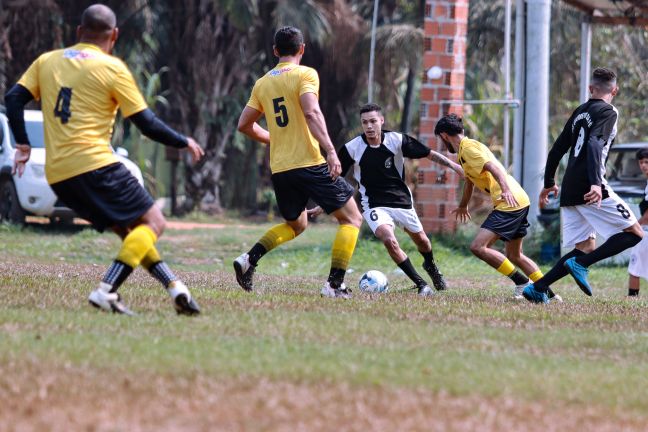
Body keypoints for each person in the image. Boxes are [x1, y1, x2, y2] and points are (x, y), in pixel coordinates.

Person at [4, 4, 205, 315]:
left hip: (59, 175)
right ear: (114, 35)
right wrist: (183, 141)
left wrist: (23, 144)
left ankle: (175, 286)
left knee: (131, 232)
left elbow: (14, 98)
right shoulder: (112, 68)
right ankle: (106, 289)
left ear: (79, 32)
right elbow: (146, 123)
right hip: (95, 164)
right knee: (155, 222)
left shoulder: (48, 61)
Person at [234, 26, 363, 298]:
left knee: (297, 224)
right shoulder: (305, 74)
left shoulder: (263, 83)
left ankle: (248, 259)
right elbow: (312, 112)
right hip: (309, 162)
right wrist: (329, 149)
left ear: (275, 51)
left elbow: (244, 125)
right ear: (302, 49)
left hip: (281, 168)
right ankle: (334, 285)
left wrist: (275, 139)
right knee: (351, 218)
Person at [310, 103, 462, 296]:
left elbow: (429, 154)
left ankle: (431, 266)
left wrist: (455, 167)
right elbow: (334, 175)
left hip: (402, 201)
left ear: (381, 121)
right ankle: (421, 284)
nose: (369, 126)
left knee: (423, 242)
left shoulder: (397, 140)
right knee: (389, 239)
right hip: (373, 204)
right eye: (365, 122)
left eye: (373, 121)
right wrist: (324, 203)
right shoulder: (352, 148)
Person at [523, 67, 643, 303]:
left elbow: (557, 149)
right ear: (615, 90)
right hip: (590, 187)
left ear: (590, 89)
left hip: (569, 188)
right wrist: (596, 184)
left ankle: (538, 288)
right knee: (635, 233)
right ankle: (582, 264)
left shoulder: (580, 112)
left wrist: (549, 183)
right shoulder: (609, 111)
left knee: (585, 246)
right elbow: (594, 144)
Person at [435, 114, 559, 301]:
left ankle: (522, 282)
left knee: (478, 247)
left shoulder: (468, 149)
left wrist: (506, 190)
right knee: (514, 255)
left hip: (509, 202)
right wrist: (463, 205)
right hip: (519, 200)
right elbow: (469, 181)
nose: (443, 144)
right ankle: (549, 294)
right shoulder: (466, 148)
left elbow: (494, 167)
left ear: (444, 135)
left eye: (441, 140)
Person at [626, 148, 648, 297]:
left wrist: (634, 227)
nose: (644, 165)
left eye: (647, 162)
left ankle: (632, 298)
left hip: (645, 231)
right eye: (641, 162)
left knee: (634, 266)